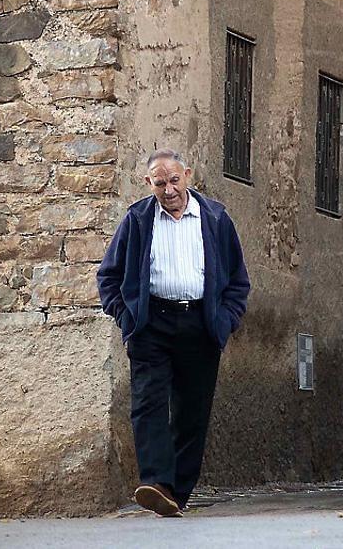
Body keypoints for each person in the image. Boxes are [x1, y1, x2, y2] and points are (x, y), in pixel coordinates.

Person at [97, 150, 250, 517]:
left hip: (201, 323)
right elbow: (109, 276)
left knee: (192, 411)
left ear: (188, 175)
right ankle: (155, 481)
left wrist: (225, 320)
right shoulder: (137, 219)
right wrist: (127, 316)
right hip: (152, 323)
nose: (169, 190)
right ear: (148, 183)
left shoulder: (214, 218)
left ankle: (176, 492)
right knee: (147, 402)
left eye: (174, 180)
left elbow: (237, 281)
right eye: (160, 182)